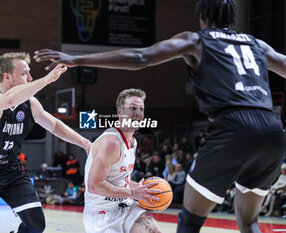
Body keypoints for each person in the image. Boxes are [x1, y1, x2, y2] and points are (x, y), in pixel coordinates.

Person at [34, 1, 286, 232]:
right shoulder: (257, 44)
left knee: (189, 219)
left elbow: (140, 57)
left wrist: (77, 59)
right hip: (274, 132)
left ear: (202, 19)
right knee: (250, 220)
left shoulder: (197, 40)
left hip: (233, 128)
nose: (138, 113)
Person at [0, 52, 91, 233]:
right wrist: (46, 80)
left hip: (11, 172)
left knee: (36, 225)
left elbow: (54, 125)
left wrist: (86, 144)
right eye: (24, 74)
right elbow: (9, 100)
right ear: (7, 77)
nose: (30, 78)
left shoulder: (31, 104)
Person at [82, 89, 162, 233]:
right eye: (132, 108)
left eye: (141, 109)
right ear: (120, 112)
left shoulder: (133, 141)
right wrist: (132, 192)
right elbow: (94, 185)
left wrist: (142, 189)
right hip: (101, 213)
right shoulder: (111, 142)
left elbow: (119, 180)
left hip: (126, 206)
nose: (138, 113)